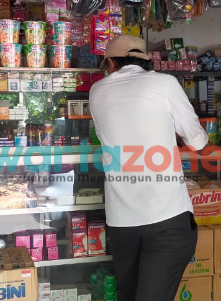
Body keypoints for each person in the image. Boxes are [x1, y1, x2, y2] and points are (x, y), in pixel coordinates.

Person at [89, 34, 209, 301]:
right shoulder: (165, 84)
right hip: (167, 219)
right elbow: (197, 141)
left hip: (121, 225)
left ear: (109, 62)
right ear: (144, 60)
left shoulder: (97, 91)